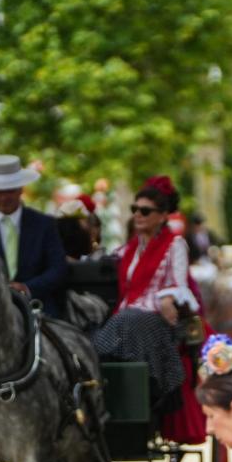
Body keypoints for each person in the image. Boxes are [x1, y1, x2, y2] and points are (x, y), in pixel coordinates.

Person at [94, 176, 203, 437]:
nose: (138, 215)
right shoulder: (129, 249)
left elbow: (178, 284)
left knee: (127, 321)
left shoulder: (174, 245)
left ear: (163, 215)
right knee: (102, 327)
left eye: (145, 211)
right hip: (128, 320)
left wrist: (166, 297)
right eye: (135, 210)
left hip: (158, 321)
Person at [0, 154, 70, 318]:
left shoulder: (44, 224)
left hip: (39, 310)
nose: (4, 197)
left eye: (9, 191)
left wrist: (27, 288)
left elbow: (58, 268)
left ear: (21, 189)